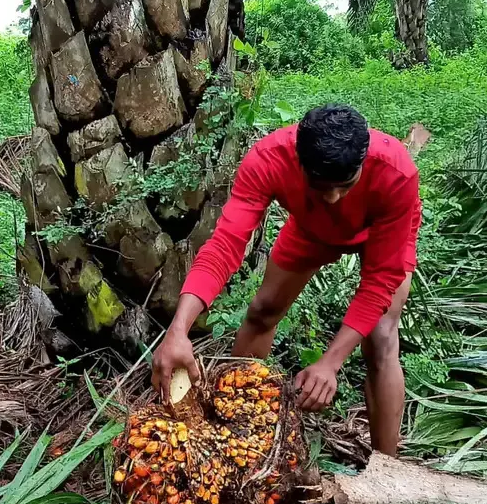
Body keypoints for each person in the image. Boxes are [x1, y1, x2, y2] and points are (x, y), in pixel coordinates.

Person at [151, 105, 421, 456]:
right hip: (311, 228)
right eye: (320, 186)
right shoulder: (268, 159)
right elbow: (224, 247)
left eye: (346, 186)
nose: (334, 198)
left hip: (381, 234)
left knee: (382, 336)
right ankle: (239, 436)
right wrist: (178, 330)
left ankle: (388, 471)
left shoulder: (395, 173)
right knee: (263, 310)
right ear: (299, 160)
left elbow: (381, 280)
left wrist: (329, 364)